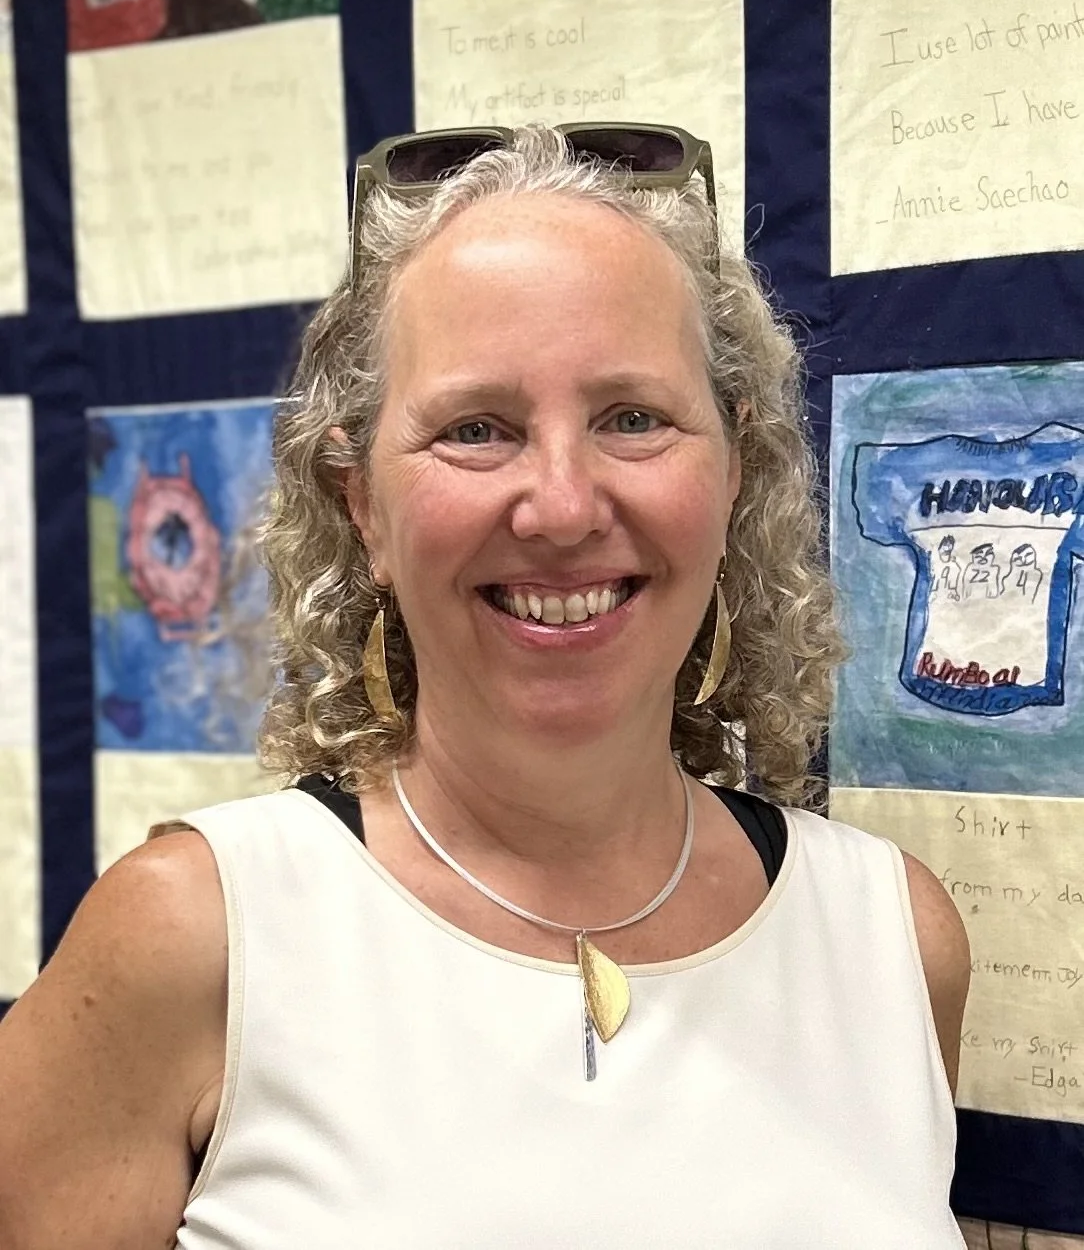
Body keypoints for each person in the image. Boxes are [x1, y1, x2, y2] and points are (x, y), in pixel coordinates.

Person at [0, 123, 970, 1247]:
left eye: (633, 419)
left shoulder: (894, 941)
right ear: (363, 506)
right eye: (476, 430)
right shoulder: (192, 938)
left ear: (734, 473)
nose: (561, 505)